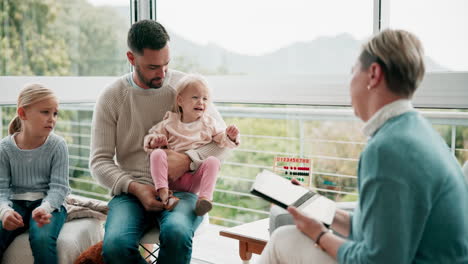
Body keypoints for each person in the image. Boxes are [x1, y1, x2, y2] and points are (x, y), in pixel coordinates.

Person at [258, 29, 468, 264]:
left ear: (373, 74)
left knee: (283, 240)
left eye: (352, 72)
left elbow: (378, 260)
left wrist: (319, 235)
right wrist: (318, 207)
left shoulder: (388, 149)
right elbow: (380, 233)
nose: (349, 83)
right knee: (287, 237)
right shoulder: (417, 132)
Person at [89, 19, 229, 264]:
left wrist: (188, 160)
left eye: (166, 64)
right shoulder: (112, 97)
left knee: (176, 233)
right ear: (131, 58)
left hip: (183, 190)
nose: (163, 73)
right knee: (115, 246)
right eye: (153, 67)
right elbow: (99, 162)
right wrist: (135, 188)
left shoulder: (186, 87)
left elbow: (222, 141)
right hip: (132, 193)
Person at [144, 74, 240, 216]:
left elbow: (222, 140)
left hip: (193, 178)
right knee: (157, 154)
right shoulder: (170, 121)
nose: (201, 102)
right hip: (170, 178)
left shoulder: (209, 123)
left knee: (213, 161)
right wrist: (154, 141)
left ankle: (204, 199)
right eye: (195, 97)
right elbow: (152, 136)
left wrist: (230, 136)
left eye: (205, 98)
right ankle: (164, 194)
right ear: (180, 100)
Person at [0, 84, 70, 264]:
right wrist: (5, 212)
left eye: (55, 113)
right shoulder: (5, 148)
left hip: (49, 203)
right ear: (22, 114)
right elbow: (1, 190)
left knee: (42, 239)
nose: (52, 119)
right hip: (16, 202)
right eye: (45, 112)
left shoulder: (58, 145)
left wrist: (45, 208)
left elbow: (59, 188)